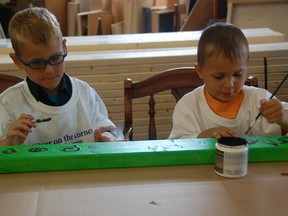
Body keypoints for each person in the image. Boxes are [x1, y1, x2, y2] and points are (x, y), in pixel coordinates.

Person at [0, 7, 119, 146]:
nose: (49, 70)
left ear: (63, 48)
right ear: (17, 61)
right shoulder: (8, 104)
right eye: (37, 63)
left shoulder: (85, 92)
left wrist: (106, 138)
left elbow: (106, 130)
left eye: (55, 58)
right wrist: (8, 143)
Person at [169, 22, 288, 139]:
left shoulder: (261, 100)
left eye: (238, 74)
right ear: (200, 71)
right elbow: (177, 146)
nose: (229, 84)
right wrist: (202, 137)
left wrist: (283, 119)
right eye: (219, 77)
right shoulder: (188, 106)